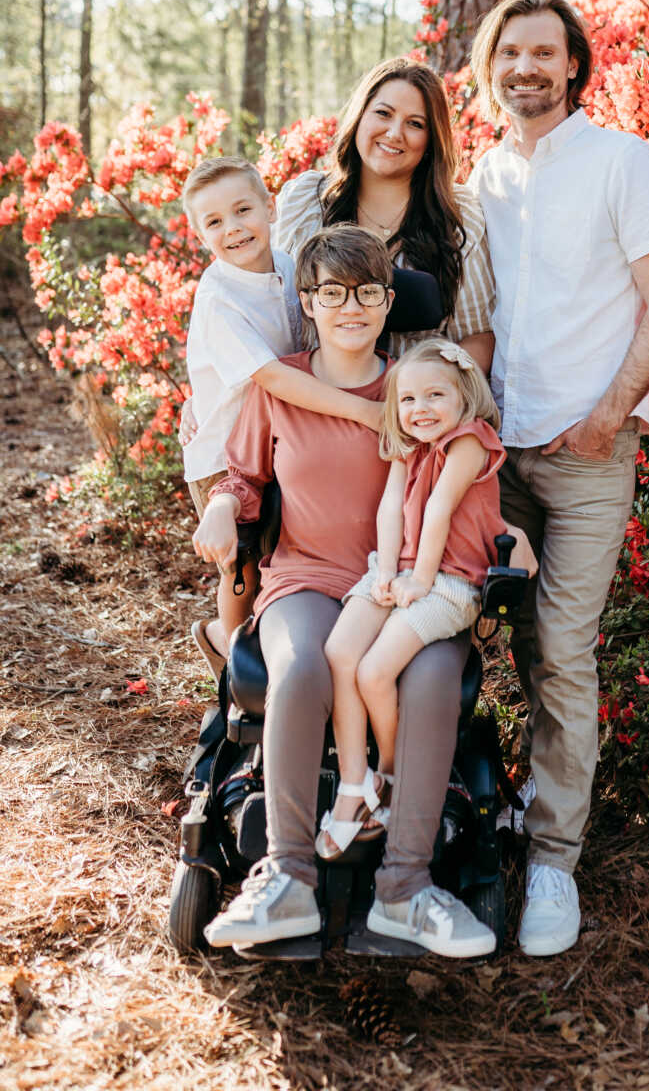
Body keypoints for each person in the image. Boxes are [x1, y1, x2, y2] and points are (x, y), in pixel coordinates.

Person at [195, 225, 498, 958]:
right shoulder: (281, 386)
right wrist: (217, 506)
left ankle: (405, 886)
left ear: (389, 303)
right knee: (300, 667)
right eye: (332, 294)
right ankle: (290, 875)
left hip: (400, 583)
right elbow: (244, 478)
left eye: (366, 293)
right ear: (309, 302)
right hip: (305, 574)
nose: (350, 308)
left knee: (430, 678)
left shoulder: (420, 389)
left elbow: (471, 482)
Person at [467, 0, 649, 957]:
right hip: (495, 454)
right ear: (491, 69)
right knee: (489, 638)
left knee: (562, 648)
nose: (526, 67)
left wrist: (608, 417)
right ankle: (503, 805)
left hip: (589, 454)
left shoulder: (621, 161)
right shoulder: (483, 176)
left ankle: (553, 859)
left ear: (573, 67)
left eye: (543, 53)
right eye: (509, 52)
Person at [316, 337, 537, 865]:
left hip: (449, 579)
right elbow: (391, 508)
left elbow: (438, 511)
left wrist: (417, 580)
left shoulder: (470, 441)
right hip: (401, 568)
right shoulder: (408, 442)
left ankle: (392, 772)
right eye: (409, 400)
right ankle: (355, 780)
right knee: (340, 651)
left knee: (373, 673)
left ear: (463, 396)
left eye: (435, 395)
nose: (421, 410)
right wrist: (387, 574)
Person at [181, 157, 385, 675]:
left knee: (279, 545)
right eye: (214, 222)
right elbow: (273, 376)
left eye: (243, 210)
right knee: (242, 560)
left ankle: (260, 640)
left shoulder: (292, 267)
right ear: (198, 234)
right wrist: (363, 409)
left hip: (290, 437)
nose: (233, 228)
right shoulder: (218, 298)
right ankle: (233, 656)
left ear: (270, 208)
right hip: (227, 452)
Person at [274, 56, 495, 374]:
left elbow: (478, 336)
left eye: (415, 124)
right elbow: (274, 315)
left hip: (416, 412)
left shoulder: (459, 215)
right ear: (359, 116)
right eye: (383, 113)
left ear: (431, 140)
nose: (394, 133)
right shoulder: (304, 201)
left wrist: (413, 395)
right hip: (314, 404)